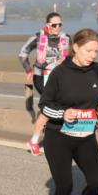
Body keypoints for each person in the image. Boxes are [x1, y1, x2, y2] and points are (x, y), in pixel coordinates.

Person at [39, 28, 98, 195]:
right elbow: (44, 106)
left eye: (96, 51)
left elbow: (95, 96)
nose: (93, 55)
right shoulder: (59, 73)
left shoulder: (97, 70)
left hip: (86, 135)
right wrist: (64, 113)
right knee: (64, 186)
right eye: (89, 50)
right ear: (76, 48)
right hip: (58, 136)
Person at [19, 12, 71, 156]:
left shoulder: (66, 39)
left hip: (60, 78)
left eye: (60, 24)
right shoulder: (37, 37)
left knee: (56, 107)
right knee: (51, 107)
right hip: (42, 77)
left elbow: (72, 57)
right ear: (47, 25)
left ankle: (47, 139)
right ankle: (36, 141)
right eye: (54, 25)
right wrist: (28, 70)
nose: (57, 27)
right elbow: (22, 53)